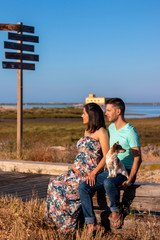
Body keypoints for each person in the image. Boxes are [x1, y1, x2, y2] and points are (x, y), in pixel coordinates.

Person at [78, 98, 142, 233]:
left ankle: (116, 210)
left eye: (108, 110)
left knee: (108, 183)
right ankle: (91, 223)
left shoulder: (131, 132)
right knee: (83, 186)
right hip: (111, 170)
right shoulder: (111, 128)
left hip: (125, 172)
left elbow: (138, 158)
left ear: (118, 111)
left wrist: (130, 180)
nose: (105, 113)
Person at [44, 103, 109, 233]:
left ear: (91, 115)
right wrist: (75, 164)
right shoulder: (87, 130)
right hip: (75, 171)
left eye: (84, 113)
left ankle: (67, 227)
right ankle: (53, 223)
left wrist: (93, 173)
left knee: (62, 190)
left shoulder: (101, 132)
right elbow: (84, 153)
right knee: (53, 184)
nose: (82, 115)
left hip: (88, 174)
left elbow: (107, 156)